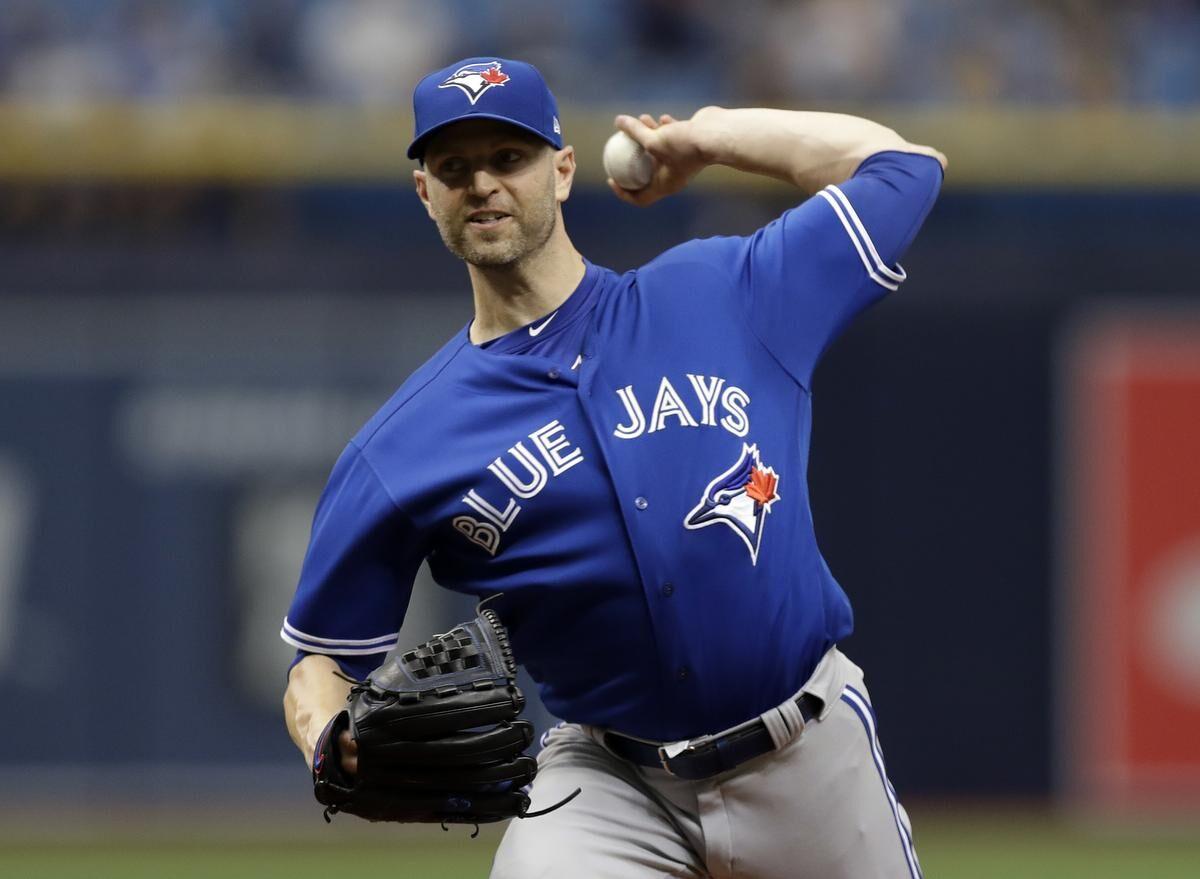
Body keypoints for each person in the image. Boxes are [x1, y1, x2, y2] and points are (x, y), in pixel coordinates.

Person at [282, 56, 945, 879]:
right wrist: (332, 741)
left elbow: (903, 170)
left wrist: (710, 137)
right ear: (426, 194)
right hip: (609, 782)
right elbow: (319, 665)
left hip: (808, 749)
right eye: (455, 168)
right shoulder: (404, 445)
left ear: (562, 171)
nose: (483, 183)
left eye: (509, 158)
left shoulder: (722, 292)